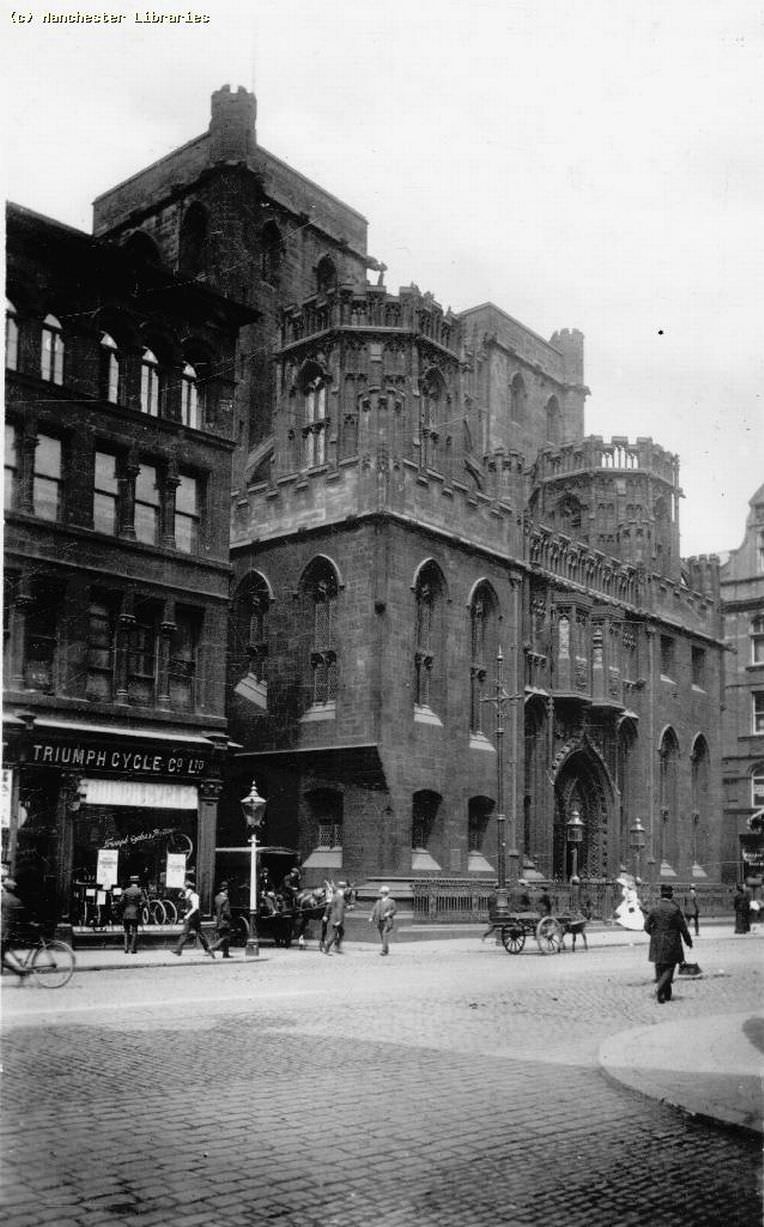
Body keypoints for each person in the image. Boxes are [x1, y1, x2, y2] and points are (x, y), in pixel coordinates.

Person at [643, 884, 693, 1003]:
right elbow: (683, 928)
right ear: (671, 894)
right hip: (672, 943)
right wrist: (688, 941)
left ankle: (666, 994)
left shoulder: (654, 909)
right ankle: (660, 989)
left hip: (657, 943)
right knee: (670, 968)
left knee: (660, 967)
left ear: (661, 894)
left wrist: (655, 935)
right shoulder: (675, 909)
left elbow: (646, 926)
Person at [172, 880, 214, 957]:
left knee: (185, 933)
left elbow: (195, 907)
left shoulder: (194, 896)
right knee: (199, 933)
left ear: (187, 887)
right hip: (192, 917)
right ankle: (208, 949)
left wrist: (187, 915)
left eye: (183, 886)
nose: (182, 887)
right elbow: (188, 904)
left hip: (193, 918)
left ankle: (178, 950)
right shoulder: (187, 895)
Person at [1, 878, 28, 975]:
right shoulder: (17, 901)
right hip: (12, 931)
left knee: (1, 957)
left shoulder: (3, 899)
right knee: (4, 951)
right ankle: (18, 964)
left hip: (4, 931)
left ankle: (18, 970)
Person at [121, 874, 146, 954]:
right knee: (134, 931)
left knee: (126, 931)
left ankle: (125, 949)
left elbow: (121, 901)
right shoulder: (139, 891)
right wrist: (140, 906)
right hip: (135, 913)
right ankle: (133, 949)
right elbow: (144, 901)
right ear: (137, 883)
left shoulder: (126, 891)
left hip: (126, 913)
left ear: (130, 883)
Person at [369, 885, 396, 956]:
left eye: (384, 893)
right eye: (382, 893)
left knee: (384, 934)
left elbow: (394, 910)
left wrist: (389, 913)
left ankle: (383, 950)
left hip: (387, 921)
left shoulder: (391, 901)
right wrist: (371, 917)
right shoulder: (378, 902)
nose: (382, 894)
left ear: (386, 893)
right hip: (379, 921)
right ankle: (386, 950)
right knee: (382, 935)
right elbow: (374, 910)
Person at [208, 881, 234, 958]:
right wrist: (230, 917)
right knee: (226, 937)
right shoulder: (226, 899)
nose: (228, 891)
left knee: (224, 936)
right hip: (225, 921)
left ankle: (225, 954)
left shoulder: (217, 898)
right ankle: (213, 948)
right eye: (227, 890)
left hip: (219, 920)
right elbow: (226, 912)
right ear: (225, 890)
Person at [323, 883, 347, 955]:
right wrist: (339, 921)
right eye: (345, 888)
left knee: (341, 932)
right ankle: (326, 949)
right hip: (337, 919)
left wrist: (326, 915)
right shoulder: (338, 897)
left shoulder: (338, 896)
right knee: (334, 934)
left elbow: (331, 906)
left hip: (336, 918)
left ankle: (337, 947)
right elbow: (337, 909)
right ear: (343, 889)